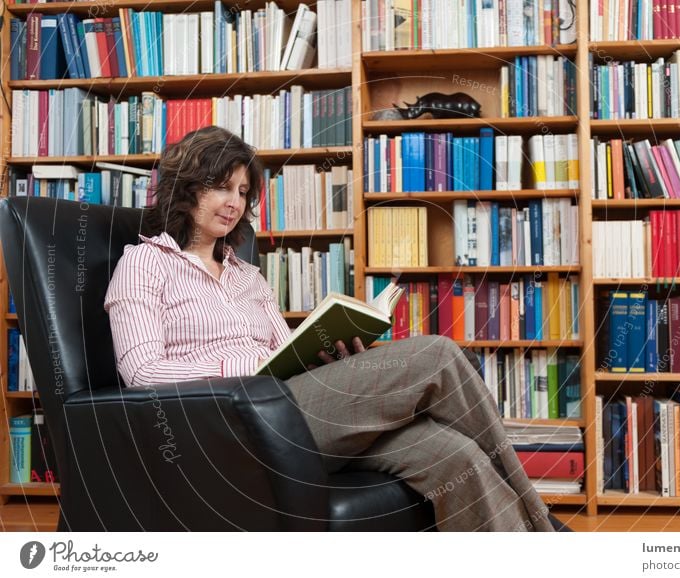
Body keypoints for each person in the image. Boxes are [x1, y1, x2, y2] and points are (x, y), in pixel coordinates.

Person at [104, 126, 560, 532]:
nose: (234, 203)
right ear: (185, 189)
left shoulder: (247, 275)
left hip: (295, 410)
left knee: (452, 455)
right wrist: (242, 364)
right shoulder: (144, 263)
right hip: (232, 425)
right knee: (437, 354)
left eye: (243, 192)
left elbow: (285, 354)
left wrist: (329, 356)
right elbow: (142, 373)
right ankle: (546, 528)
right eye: (221, 187)